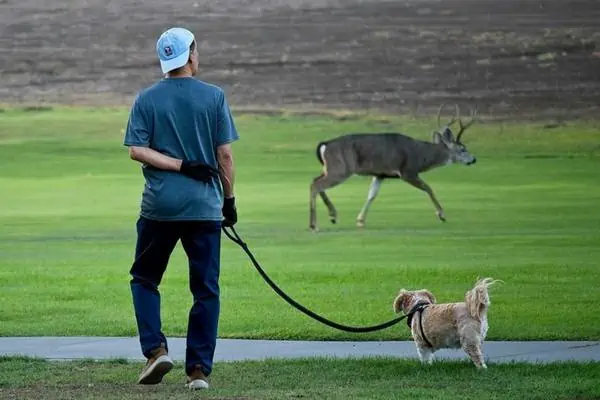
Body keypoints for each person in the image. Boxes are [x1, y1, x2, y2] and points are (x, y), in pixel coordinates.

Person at [123, 26, 239, 390]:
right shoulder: (214, 96)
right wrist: (229, 200)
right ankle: (199, 371)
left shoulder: (146, 98)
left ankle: (156, 351)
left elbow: (136, 150)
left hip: (159, 208)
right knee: (205, 289)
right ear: (191, 55)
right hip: (205, 207)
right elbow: (225, 155)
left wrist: (176, 165)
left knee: (145, 279)